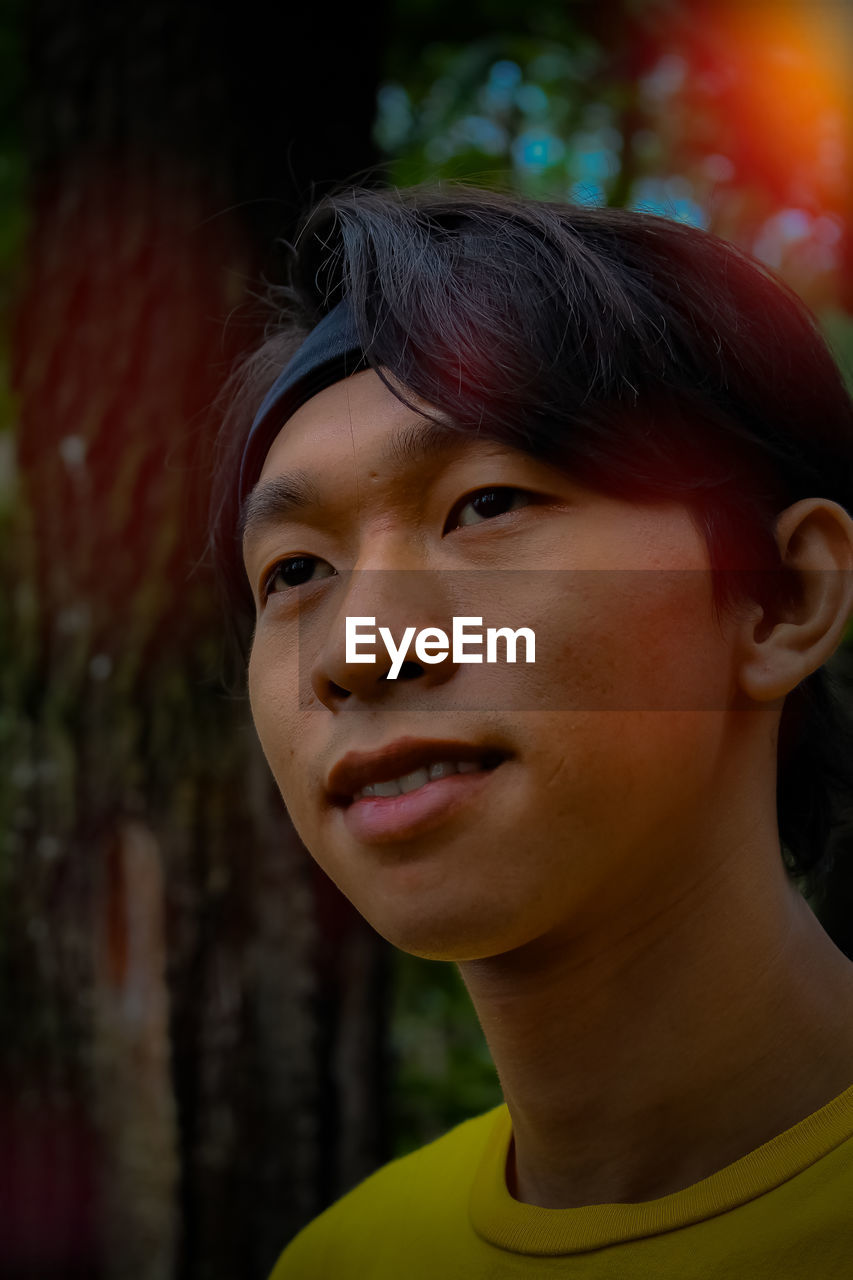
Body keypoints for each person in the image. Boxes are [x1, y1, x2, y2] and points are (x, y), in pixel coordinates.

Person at [209, 185, 853, 1277]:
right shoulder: (346, 1258)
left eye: (488, 503)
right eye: (297, 571)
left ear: (781, 597)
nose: (358, 649)